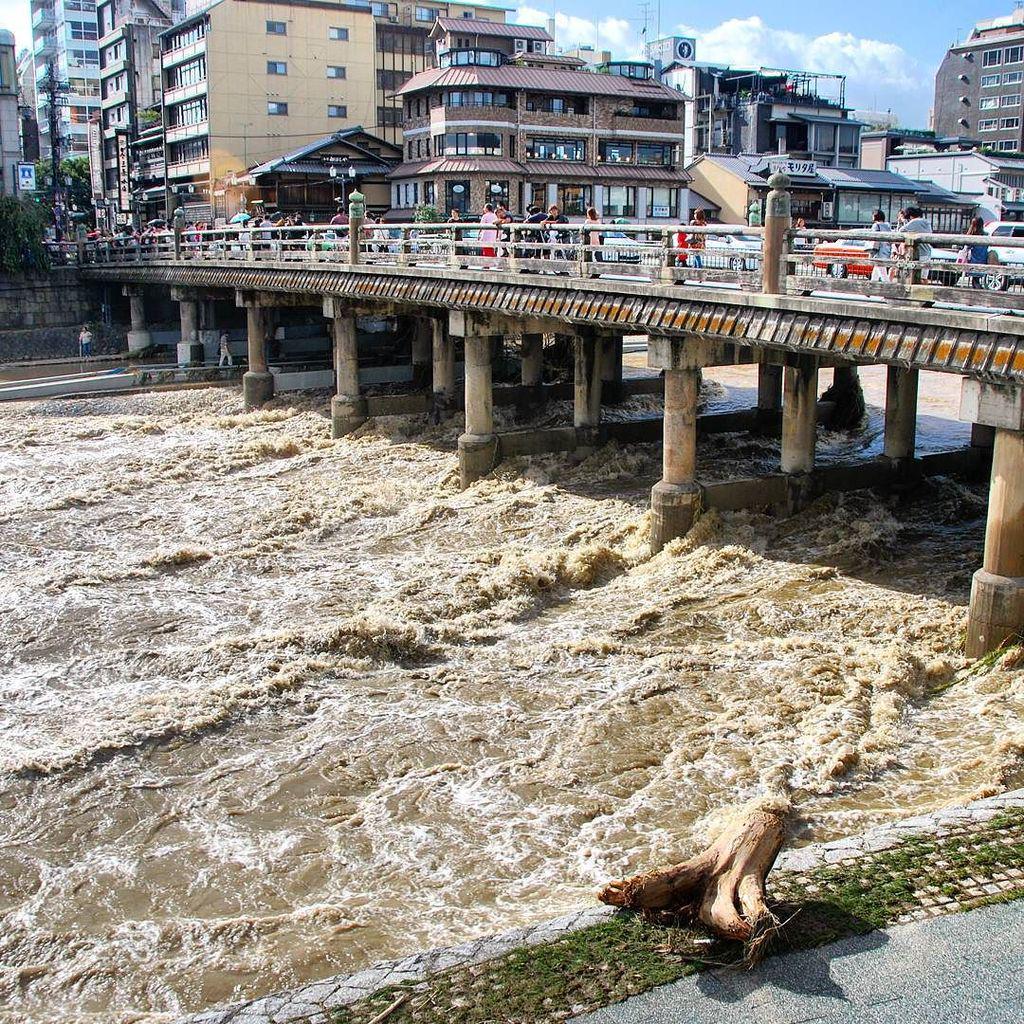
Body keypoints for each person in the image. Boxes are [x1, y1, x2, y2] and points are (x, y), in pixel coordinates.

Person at [899, 206, 933, 280]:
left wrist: (903, 221)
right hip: (927, 251)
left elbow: (901, 231)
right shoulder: (926, 222)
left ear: (910, 216)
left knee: (915, 277)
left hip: (918, 253)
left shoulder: (914, 222)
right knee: (924, 277)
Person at [961, 216, 990, 289]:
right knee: (976, 279)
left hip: (974, 258)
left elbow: (967, 246)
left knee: (975, 279)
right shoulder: (986, 234)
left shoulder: (972, 235)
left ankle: (978, 293)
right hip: (983, 257)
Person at [869, 209, 893, 282]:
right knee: (876, 272)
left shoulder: (876, 225)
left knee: (883, 273)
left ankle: (888, 289)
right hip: (887, 250)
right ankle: (870, 288)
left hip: (878, 251)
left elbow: (874, 239)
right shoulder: (888, 225)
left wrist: (871, 252)